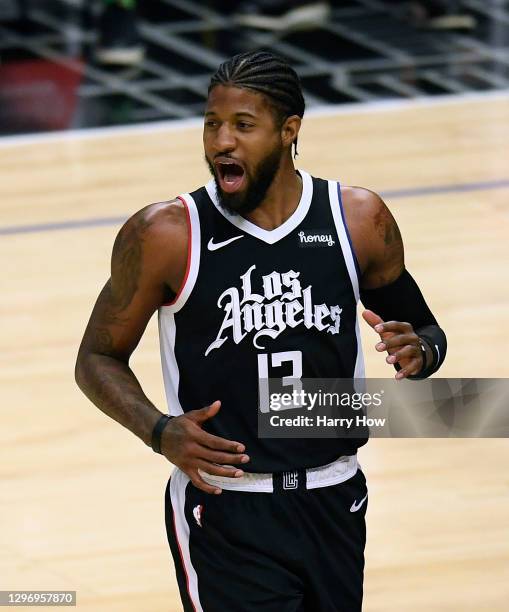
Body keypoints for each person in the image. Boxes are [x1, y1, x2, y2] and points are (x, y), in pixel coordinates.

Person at [75, 50, 447, 611]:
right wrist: (159, 431)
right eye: (212, 124)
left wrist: (418, 350)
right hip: (226, 510)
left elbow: (426, 332)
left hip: (335, 497)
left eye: (243, 126)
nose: (221, 141)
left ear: (288, 131)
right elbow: (96, 358)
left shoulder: (358, 219)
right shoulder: (167, 234)